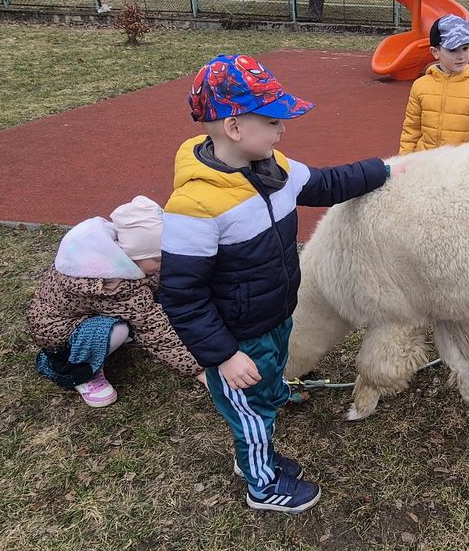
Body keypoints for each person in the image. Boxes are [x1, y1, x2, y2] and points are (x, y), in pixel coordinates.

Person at [160, 54, 391, 514]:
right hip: (236, 337)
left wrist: (385, 170)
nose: (282, 129)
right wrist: (223, 356)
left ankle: (256, 454)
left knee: (265, 393)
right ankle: (261, 485)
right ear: (234, 127)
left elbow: (327, 184)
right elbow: (182, 295)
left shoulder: (275, 169)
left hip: (274, 316)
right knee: (251, 411)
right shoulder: (194, 206)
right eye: (271, 121)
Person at [28, 195, 203, 407]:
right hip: (60, 337)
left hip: (71, 316)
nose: (163, 264)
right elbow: (154, 330)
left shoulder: (110, 256)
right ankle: (80, 371)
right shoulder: (112, 285)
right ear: (134, 254)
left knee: (151, 297)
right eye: (158, 259)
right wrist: (199, 369)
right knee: (117, 329)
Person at [398, 14, 469, 153]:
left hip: (459, 163)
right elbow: (411, 130)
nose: (461, 56)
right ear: (435, 52)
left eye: (465, 48)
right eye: (453, 50)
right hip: (425, 160)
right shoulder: (420, 86)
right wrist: (405, 159)